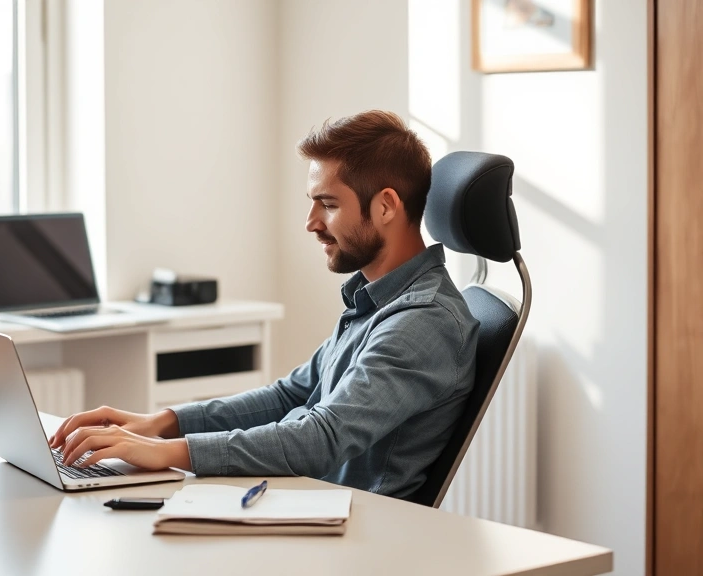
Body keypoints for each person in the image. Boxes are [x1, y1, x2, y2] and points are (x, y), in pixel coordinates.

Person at [49, 110, 479, 498]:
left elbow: (321, 438)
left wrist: (167, 452)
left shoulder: (423, 320)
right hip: (308, 501)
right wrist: (160, 423)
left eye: (328, 204)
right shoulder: (378, 298)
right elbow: (291, 394)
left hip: (355, 529)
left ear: (385, 206)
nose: (311, 223)